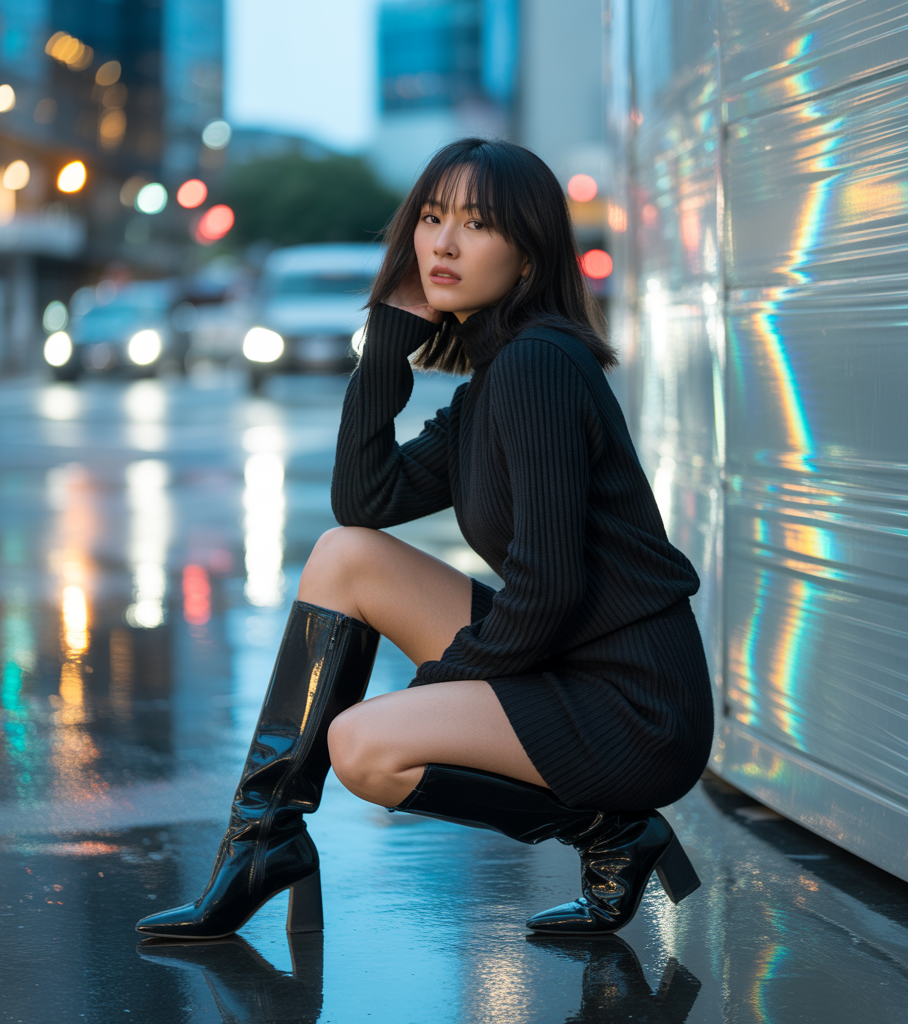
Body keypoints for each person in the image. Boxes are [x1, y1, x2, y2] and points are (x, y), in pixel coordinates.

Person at [136, 138, 713, 941]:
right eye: (433, 217)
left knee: (364, 748)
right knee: (346, 556)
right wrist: (386, 341)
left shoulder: (538, 369)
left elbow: (549, 587)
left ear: (527, 256)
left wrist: (441, 687)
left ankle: (612, 831)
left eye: (477, 224)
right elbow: (364, 499)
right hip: (572, 663)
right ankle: (262, 838)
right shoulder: (495, 382)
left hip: (634, 705)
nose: (443, 243)